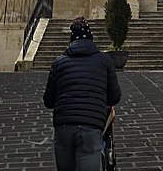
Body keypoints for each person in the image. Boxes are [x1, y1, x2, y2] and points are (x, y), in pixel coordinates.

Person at [43, 17, 121, 171]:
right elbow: (114, 97)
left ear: (71, 40)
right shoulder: (105, 61)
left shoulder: (59, 62)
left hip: (64, 127)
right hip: (91, 126)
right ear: (91, 39)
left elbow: (48, 101)